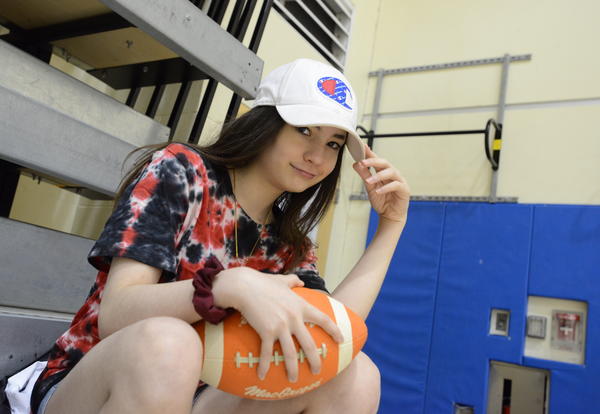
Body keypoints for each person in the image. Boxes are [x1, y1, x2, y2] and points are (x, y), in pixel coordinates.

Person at [28, 58, 410, 414]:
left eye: (333, 143)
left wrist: (391, 226)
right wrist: (225, 287)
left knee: (356, 374)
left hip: (201, 398)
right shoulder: (182, 172)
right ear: (264, 122)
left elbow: (332, 336)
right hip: (95, 384)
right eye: (304, 130)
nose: (316, 155)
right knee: (169, 344)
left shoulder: (290, 245)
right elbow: (116, 316)